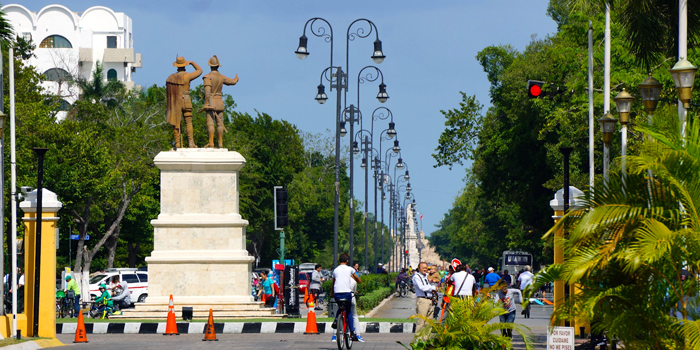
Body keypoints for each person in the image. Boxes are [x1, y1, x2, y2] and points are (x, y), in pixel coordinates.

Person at [202, 55, 239, 148]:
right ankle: (220, 143)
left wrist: (206, 103)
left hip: (211, 103)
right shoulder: (221, 77)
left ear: (210, 66)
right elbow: (232, 82)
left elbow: (207, 92)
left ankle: (211, 142)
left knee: (210, 123)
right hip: (220, 102)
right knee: (220, 124)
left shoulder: (207, 77)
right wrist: (236, 78)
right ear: (218, 66)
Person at [166, 57, 202, 148]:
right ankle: (191, 143)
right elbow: (200, 70)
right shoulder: (187, 76)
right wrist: (192, 62)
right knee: (188, 122)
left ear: (177, 66)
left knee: (175, 121)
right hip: (186, 100)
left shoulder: (171, 78)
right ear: (185, 65)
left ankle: (177, 143)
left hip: (175, 102)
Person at [331, 253, 362, 342]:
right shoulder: (350, 269)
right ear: (347, 261)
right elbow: (358, 280)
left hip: (337, 294)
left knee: (340, 307)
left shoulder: (335, 270)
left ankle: (336, 319)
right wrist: (354, 277)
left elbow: (333, 283)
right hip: (347, 294)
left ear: (339, 260)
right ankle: (352, 331)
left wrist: (332, 294)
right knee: (348, 311)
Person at [413, 262, 438, 336]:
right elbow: (422, 287)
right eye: (423, 268)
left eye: (426, 268)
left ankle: (426, 339)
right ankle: (418, 340)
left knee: (429, 322)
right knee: (421, 321)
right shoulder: (417, 277)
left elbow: (434, 282)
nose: (425, 269)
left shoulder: (427, 276)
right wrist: (432, 288)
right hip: (423, 300)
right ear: (419, 268)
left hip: (430, 300)